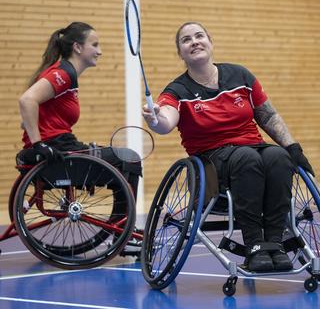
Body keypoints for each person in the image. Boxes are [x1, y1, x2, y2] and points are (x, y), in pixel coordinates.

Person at [142, 21, 314, 272]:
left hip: (253, 147)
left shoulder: (240, 76)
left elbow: (267, 116)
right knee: (247, 158)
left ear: (210, 42)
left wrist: (293, 147)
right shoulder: (177, 90)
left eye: (200, 36)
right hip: (213, 159)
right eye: (186, 40)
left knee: (279, 157)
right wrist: (154, 119)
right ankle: (255, 245)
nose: (194, 42)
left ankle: (275, 244)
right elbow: (166, 120)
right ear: (180, 53)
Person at [17, 21, 141, 220]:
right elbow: (27, 100)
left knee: (123, 158)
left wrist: (35, 133)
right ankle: (122, 231)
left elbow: (27, 119)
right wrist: (39, 144)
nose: (99, 51)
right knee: (130, 158)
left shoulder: (65, 73)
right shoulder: (62, 74)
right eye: (95, 45)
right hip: (58, 150)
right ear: (77, 47)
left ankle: (121, 228)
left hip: (62, 146)